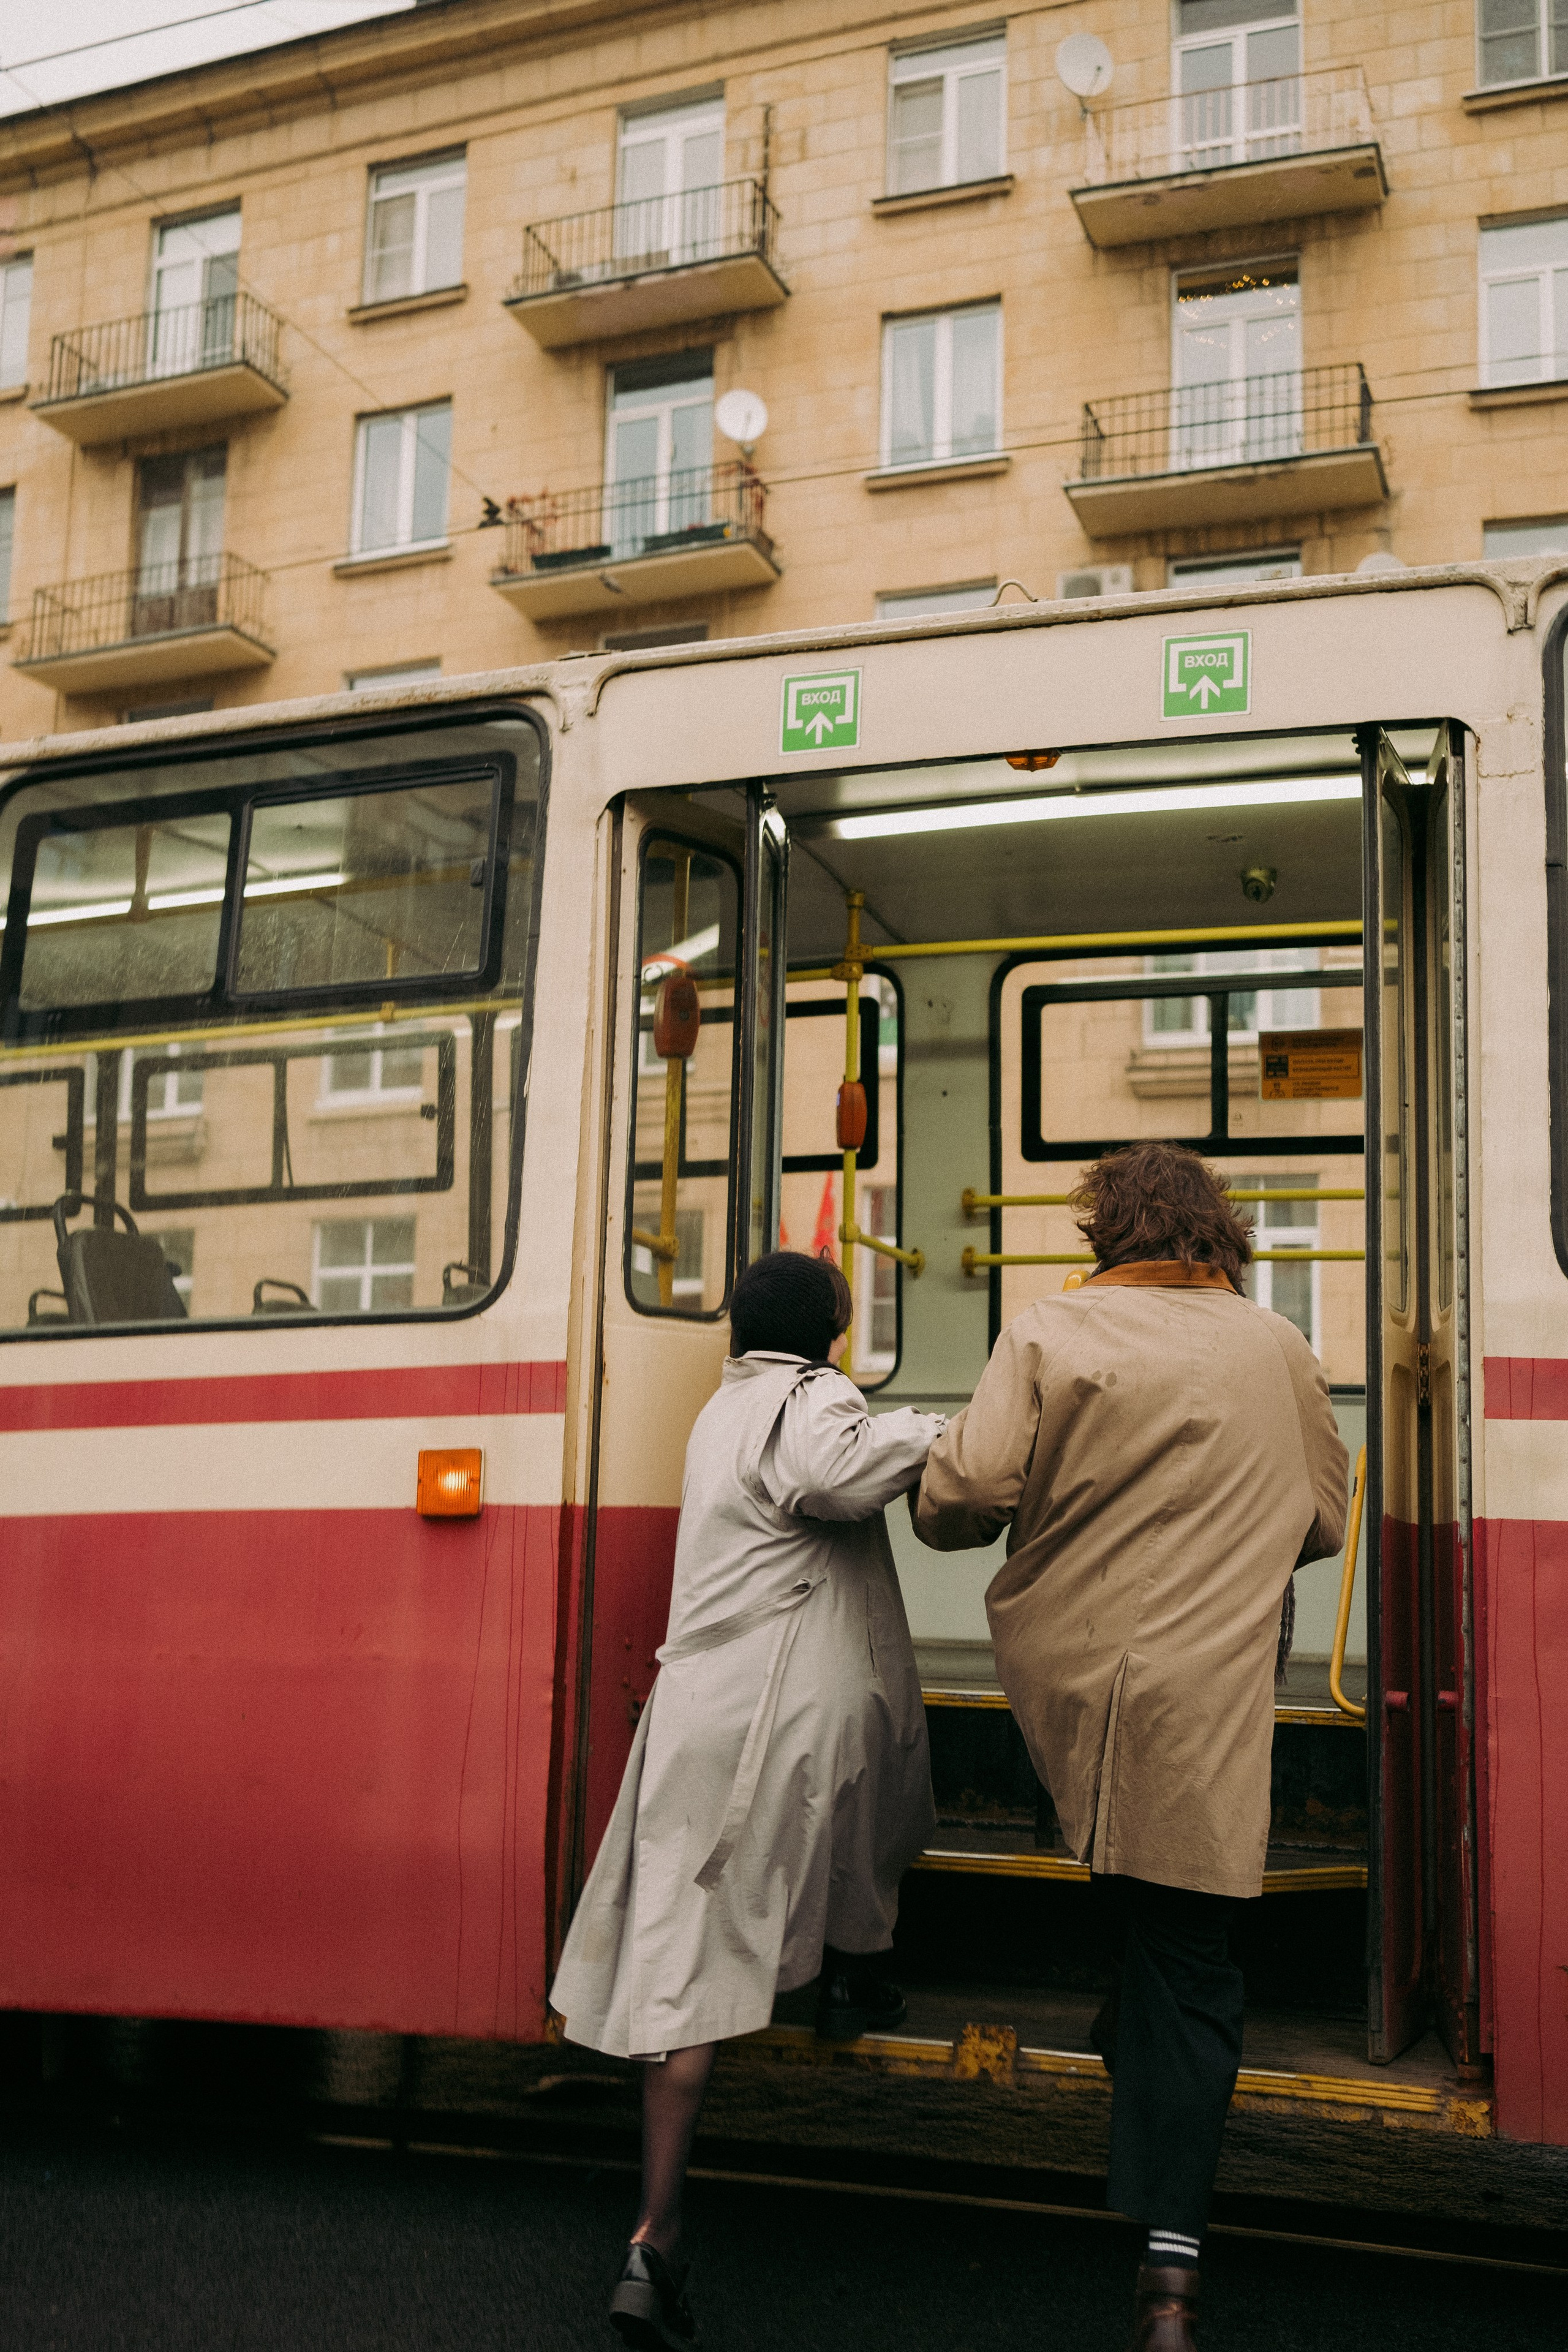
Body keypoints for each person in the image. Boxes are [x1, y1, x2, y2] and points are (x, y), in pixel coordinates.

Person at [912, 1141, 1348, 2352]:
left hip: (1074, 1677)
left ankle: (1135, 2069)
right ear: (1217, 1234)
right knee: (1189, 1950)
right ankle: (1169, 2269)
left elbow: (964, 1497)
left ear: (1102, 1233)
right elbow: (1318, 1516)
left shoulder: (1046, 1332)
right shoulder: (1277, 1346)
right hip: (1204, 1688)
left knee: (1132, 1874)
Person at [551, 1248, 945, 2351]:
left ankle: (654, 2231)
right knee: (877, 1778)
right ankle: (857, 1972)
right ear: (827, 1327)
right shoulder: (813, 1396)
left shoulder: (720, 1410)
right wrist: (941, 1433)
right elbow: (833, 1476)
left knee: (684, 1956)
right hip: (777, 1707)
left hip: (694, 1709)